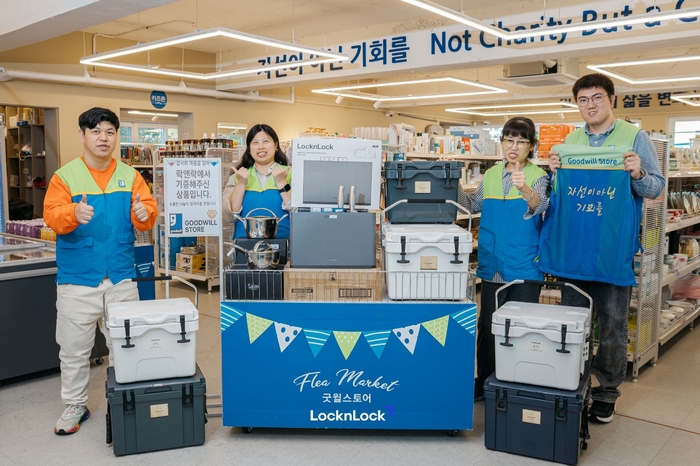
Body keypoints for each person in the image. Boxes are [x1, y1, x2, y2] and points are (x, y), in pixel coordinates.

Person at [543, 73, 665, 423]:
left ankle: (607, 392)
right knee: (574, 323)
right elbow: (558, 194)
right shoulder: (571, 141)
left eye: (596, 97)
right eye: (582, 100)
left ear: (611, 99)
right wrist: (552, 173)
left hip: (611, 250)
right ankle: (574, 382)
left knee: (612, 326)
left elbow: (656, 188)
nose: (590, 105)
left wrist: (639, 173)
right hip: (573, 251)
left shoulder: (634, 137)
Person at [44, 107, 158, 435]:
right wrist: (73, 212)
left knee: (126, 343)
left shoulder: (130, 175)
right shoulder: (65, 177)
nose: (103, 138)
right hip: (77, 279)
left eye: (109, 131)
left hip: (121, 277)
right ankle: (75, 405)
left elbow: (147, 212)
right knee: (73, 349)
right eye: (95, 131)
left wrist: (143, 213)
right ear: (82, 135)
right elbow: (52, 215)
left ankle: (126, 399)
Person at [457, 116, 550, 401]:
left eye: (521, 142)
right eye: (509, 140)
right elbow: (471, 206)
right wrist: (452, 181)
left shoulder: (538, 176)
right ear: (501, 142)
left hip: (524, 265)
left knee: (521, 329)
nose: (514, 147)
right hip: (492, 262)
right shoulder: (491, 175)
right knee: (487, 327)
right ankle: (484, 381)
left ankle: (517, 382)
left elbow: (541, 206)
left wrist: (525, 189)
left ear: (531, 146)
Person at [222, 124, 292, 239]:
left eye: (266, 141)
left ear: (276, 145)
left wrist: (282, 183)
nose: (260, 147)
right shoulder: (238, 176)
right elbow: (228, 217)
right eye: (255, 143)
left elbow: (300, 213)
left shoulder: (290, 173)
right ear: (249, 149)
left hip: (283, 244)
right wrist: (241, 183)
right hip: (244, 245)